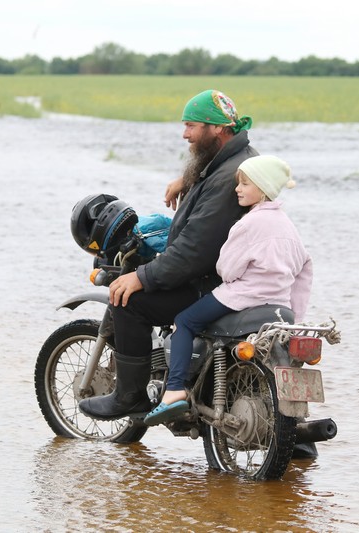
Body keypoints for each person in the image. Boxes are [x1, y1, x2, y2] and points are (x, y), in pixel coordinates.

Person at [78, 89, 258, 421]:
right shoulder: (241, 160)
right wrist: (187, 181)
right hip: (239, 276)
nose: (185, 134)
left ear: (216, 128)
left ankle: (129, 397)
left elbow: (194, 252)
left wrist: (141, 276)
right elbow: (211, 179)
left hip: (210, 281)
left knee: (127, 301)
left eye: (191, 125)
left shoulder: (223, 179)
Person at [144, 154, 313, 425]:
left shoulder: (248, 223)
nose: (238, 189)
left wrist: (226, 273)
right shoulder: (289, 227)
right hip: (278, 306)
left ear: (262, 187)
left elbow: (227, 269)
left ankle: (175, 388)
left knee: (184, 321)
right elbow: (305, 271)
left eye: (245, 184)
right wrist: (295, 313)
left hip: (242, 297)